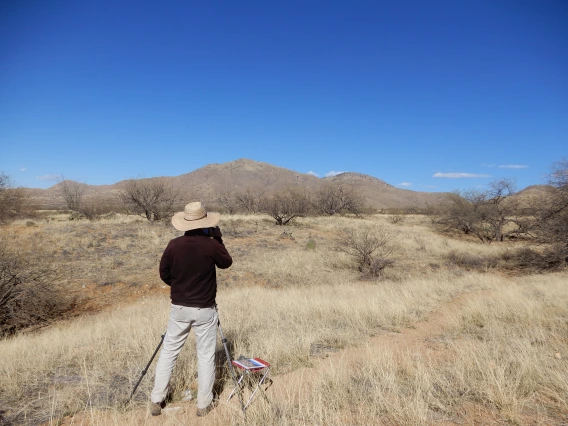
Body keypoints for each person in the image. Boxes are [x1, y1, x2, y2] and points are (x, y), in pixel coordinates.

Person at [150, 201, 233, 417]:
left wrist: (179, 287)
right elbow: (226, 263)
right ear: (206, 223)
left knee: (169, 352)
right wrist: (218, 239)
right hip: (204, 308)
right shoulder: (211, 245)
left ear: (184, 224)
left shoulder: (173, 245)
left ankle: (157, 400)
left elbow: (164, 273)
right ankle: (203, 405)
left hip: (179, 307)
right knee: (205, 356)